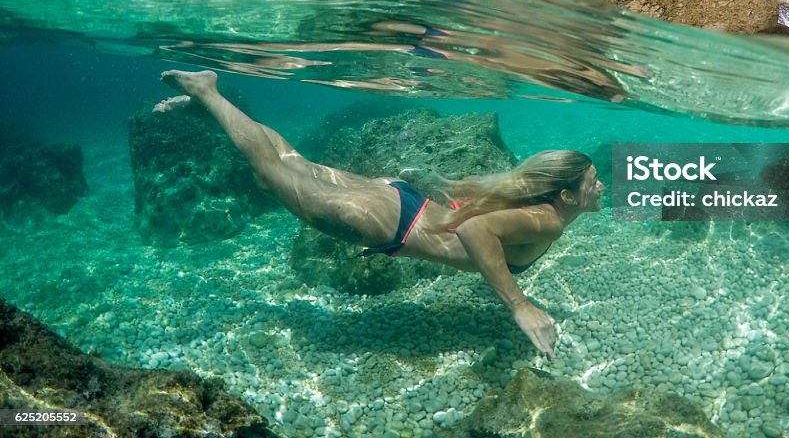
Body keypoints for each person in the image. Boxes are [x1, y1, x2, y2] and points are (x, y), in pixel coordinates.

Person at [157, 70, 605, 359]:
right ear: (566, 195)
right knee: (270, 170)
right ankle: (208, 91)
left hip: (397, 201)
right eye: (592, 181)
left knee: (292, 162)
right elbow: (475, 228)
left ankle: (210, 104)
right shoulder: (547, 219)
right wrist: (519, 305)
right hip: (387, 222)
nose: (601, 185)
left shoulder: (539, 204)